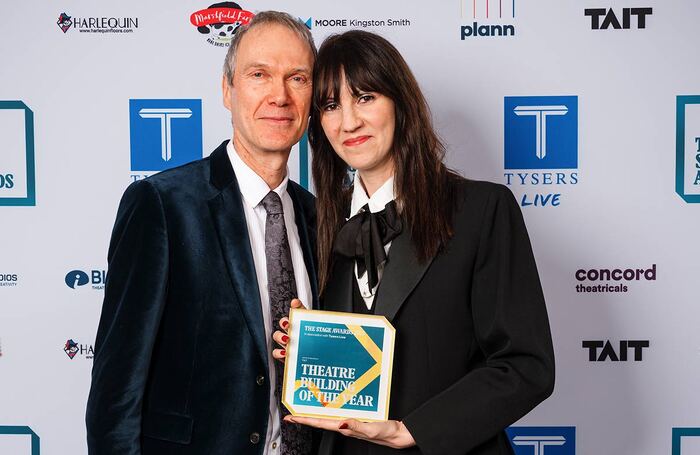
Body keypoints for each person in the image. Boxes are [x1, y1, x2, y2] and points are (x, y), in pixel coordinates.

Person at [273, 30, 555, 455]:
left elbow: (525, 365)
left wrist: (412, 430)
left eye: (365, 97)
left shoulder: (482, 210)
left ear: (400, 103)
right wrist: (305, 350)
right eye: (331, 106)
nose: (349, 121)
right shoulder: (317, 225)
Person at [86, 12, 318, 455]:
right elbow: (116, 391)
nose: (279, 96)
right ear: (227, 90)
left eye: (298, 78)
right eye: (259, 75)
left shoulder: (316, 218)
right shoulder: (162, 204)